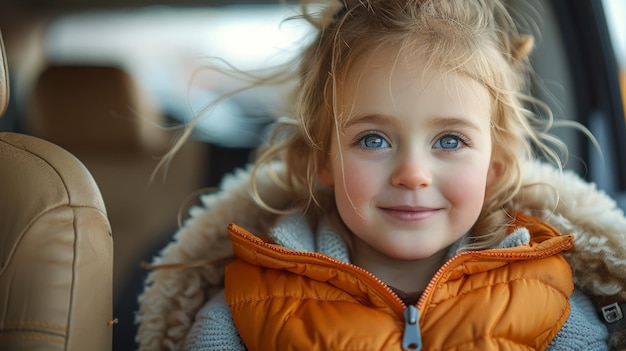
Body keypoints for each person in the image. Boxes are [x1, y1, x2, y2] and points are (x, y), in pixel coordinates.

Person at [136, 0, 626, 350]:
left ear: (493, 165)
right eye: (373, 140)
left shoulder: (554, 308)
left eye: (449, 141)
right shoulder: (242, 314)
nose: (413, 173)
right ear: (323, 159)